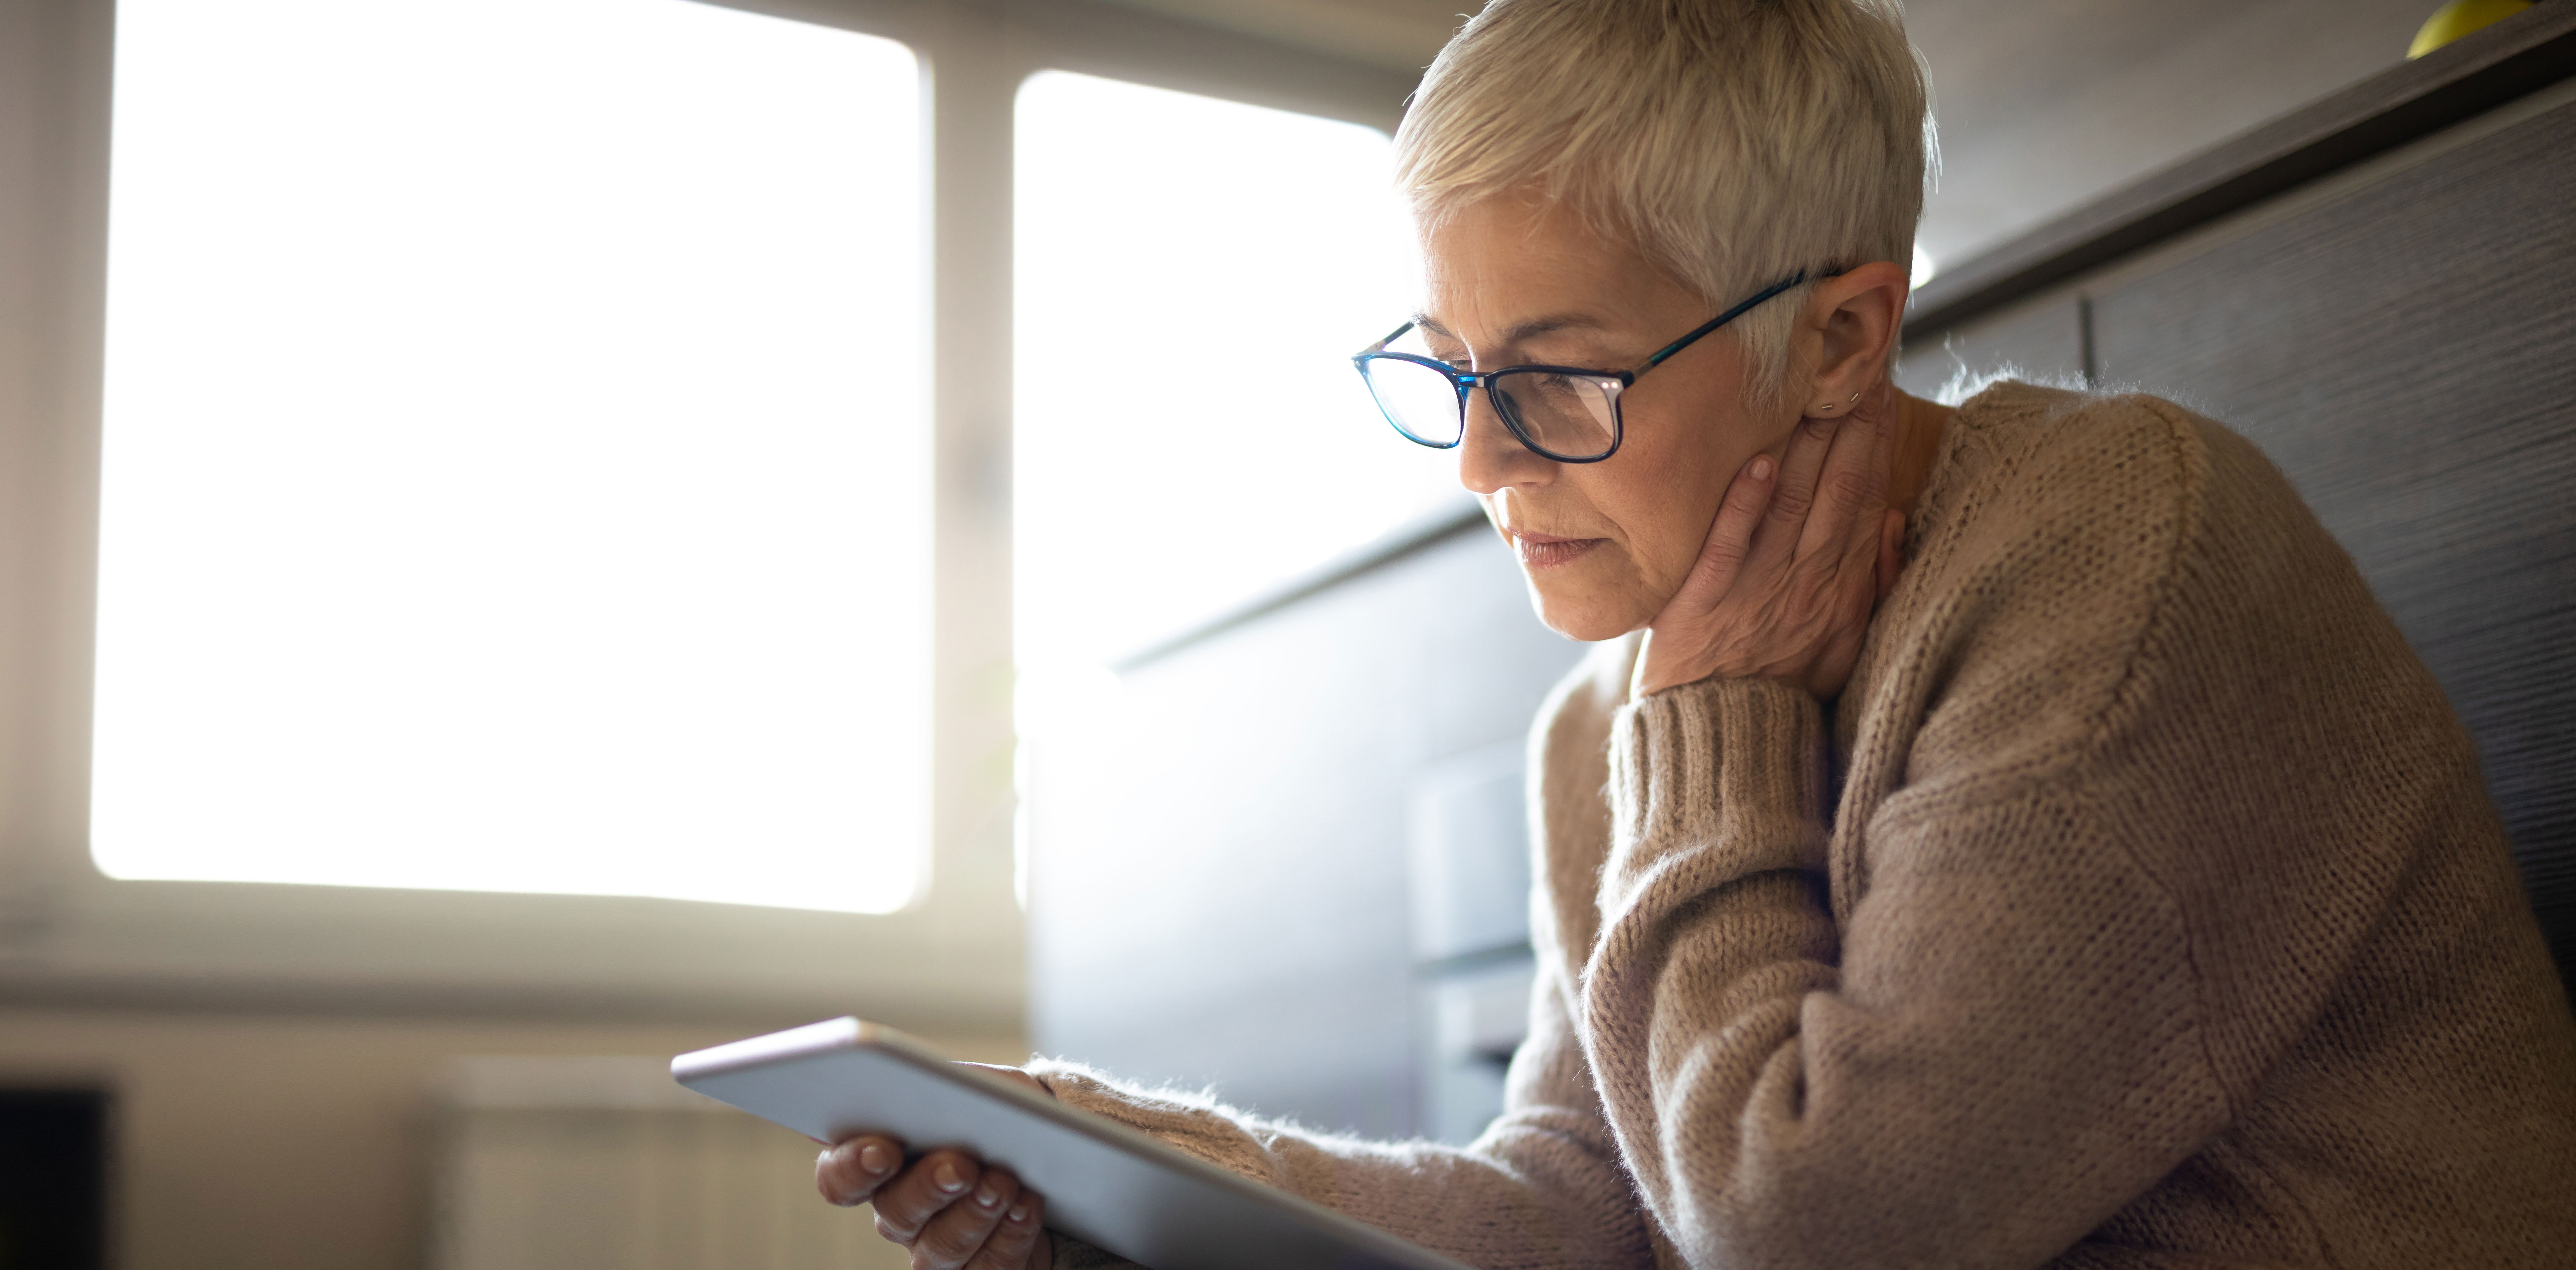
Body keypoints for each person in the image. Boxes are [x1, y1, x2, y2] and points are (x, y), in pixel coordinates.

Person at [815, 0, 2576, 1265]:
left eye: (1559, 374)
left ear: (1833, 337)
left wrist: (1716, 737)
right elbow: (1583, 1205)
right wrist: (1117, 1178)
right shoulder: (1613, 715)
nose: (1486, 462)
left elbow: (1814, 1233)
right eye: (1449, 370)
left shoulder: (2118, 559)